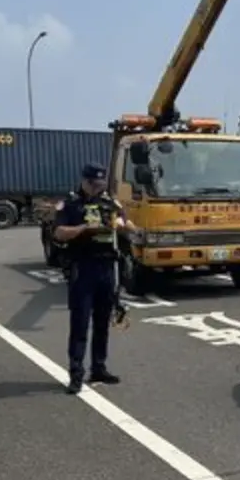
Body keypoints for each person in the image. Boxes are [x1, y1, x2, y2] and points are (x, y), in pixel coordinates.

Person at [53, 163, 137, 393]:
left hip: (107, 268)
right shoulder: (70, 203)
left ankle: (99, 367)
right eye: (93, 184)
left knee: (102, 323)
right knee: (80, 324)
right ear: (84, 181)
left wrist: (122, 225)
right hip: (83, 268)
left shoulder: (109, 202)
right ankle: (76, 373)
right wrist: (83, 229)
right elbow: (59, 232)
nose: (97, 188)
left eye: (100, 184)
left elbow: (128, 223)